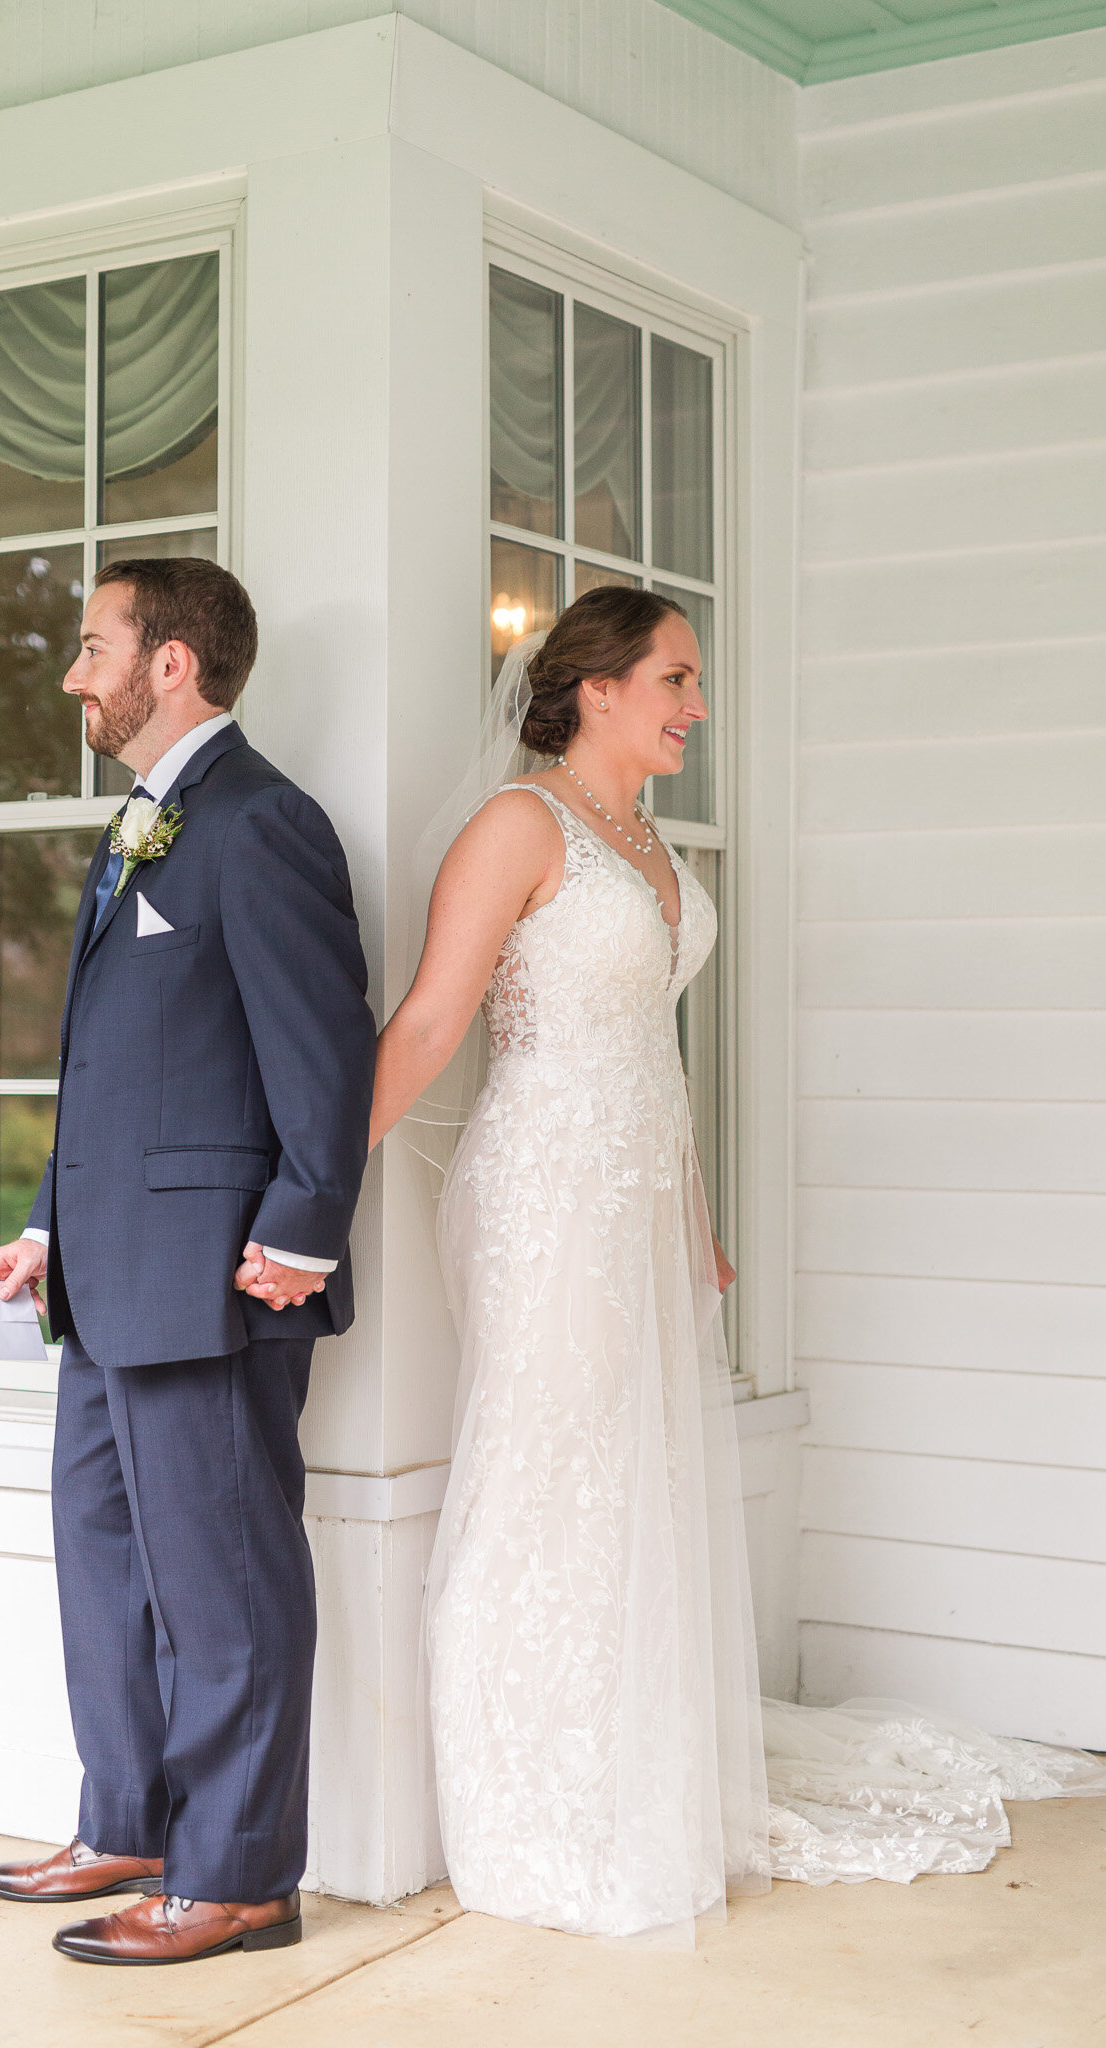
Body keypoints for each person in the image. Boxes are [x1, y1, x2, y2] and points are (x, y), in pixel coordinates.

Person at [371, 586, 1106, 1946]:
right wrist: (312, 1185)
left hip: (641, 1195)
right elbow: (429, 1017)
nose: (694, 708)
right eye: (675, 679)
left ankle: (628, 1761)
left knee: (626, 1479)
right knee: (546, 1478)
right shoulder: (515, 827)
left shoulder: (638, 837)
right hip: (545, 1192)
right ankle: (531, 1804)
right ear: (591, 684)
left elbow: (654, 1050)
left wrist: (692, 1213)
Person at [0, 557, 376, 1966]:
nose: (74, 675)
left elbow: (320, 1051)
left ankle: (240, 1878)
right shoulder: (140, 827)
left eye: (93, 648)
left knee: (226, 1589)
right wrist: (45, 1226)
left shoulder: (262, 823)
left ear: (171, 665)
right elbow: (116, 1067)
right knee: (103, 1564)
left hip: (217, 1281)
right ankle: (132, 1823)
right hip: (106, 1280)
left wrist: (301, 1229)